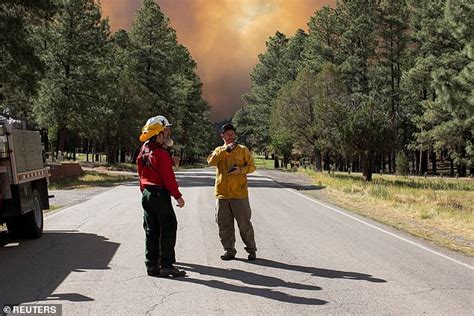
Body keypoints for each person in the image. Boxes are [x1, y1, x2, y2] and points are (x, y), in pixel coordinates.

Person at [137, 115, 186, 277]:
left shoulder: (144, 149)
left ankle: (151, 265)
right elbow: (168, 177)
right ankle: (167, 265)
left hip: (147, 194)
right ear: (158, 134)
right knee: (168, 227)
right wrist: (177, 196)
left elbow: (141, 172)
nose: (168, 132)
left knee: (151, 229)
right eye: (165, 130)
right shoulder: (161, 153)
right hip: (159, 194)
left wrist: (143, 190)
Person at [207, 123, 257, 261]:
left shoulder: (243, 150)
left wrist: (241, 170)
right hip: (222, 194)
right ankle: (229, 250)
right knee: (224, 225)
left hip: (239, 194)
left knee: (244, 224)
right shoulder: (218, 150)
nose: (230, 136)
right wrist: (226, 150)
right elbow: (211, 161)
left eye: (232, 133)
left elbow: (252, 166)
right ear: (222, 135)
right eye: (227, 134)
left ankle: (251, 250)